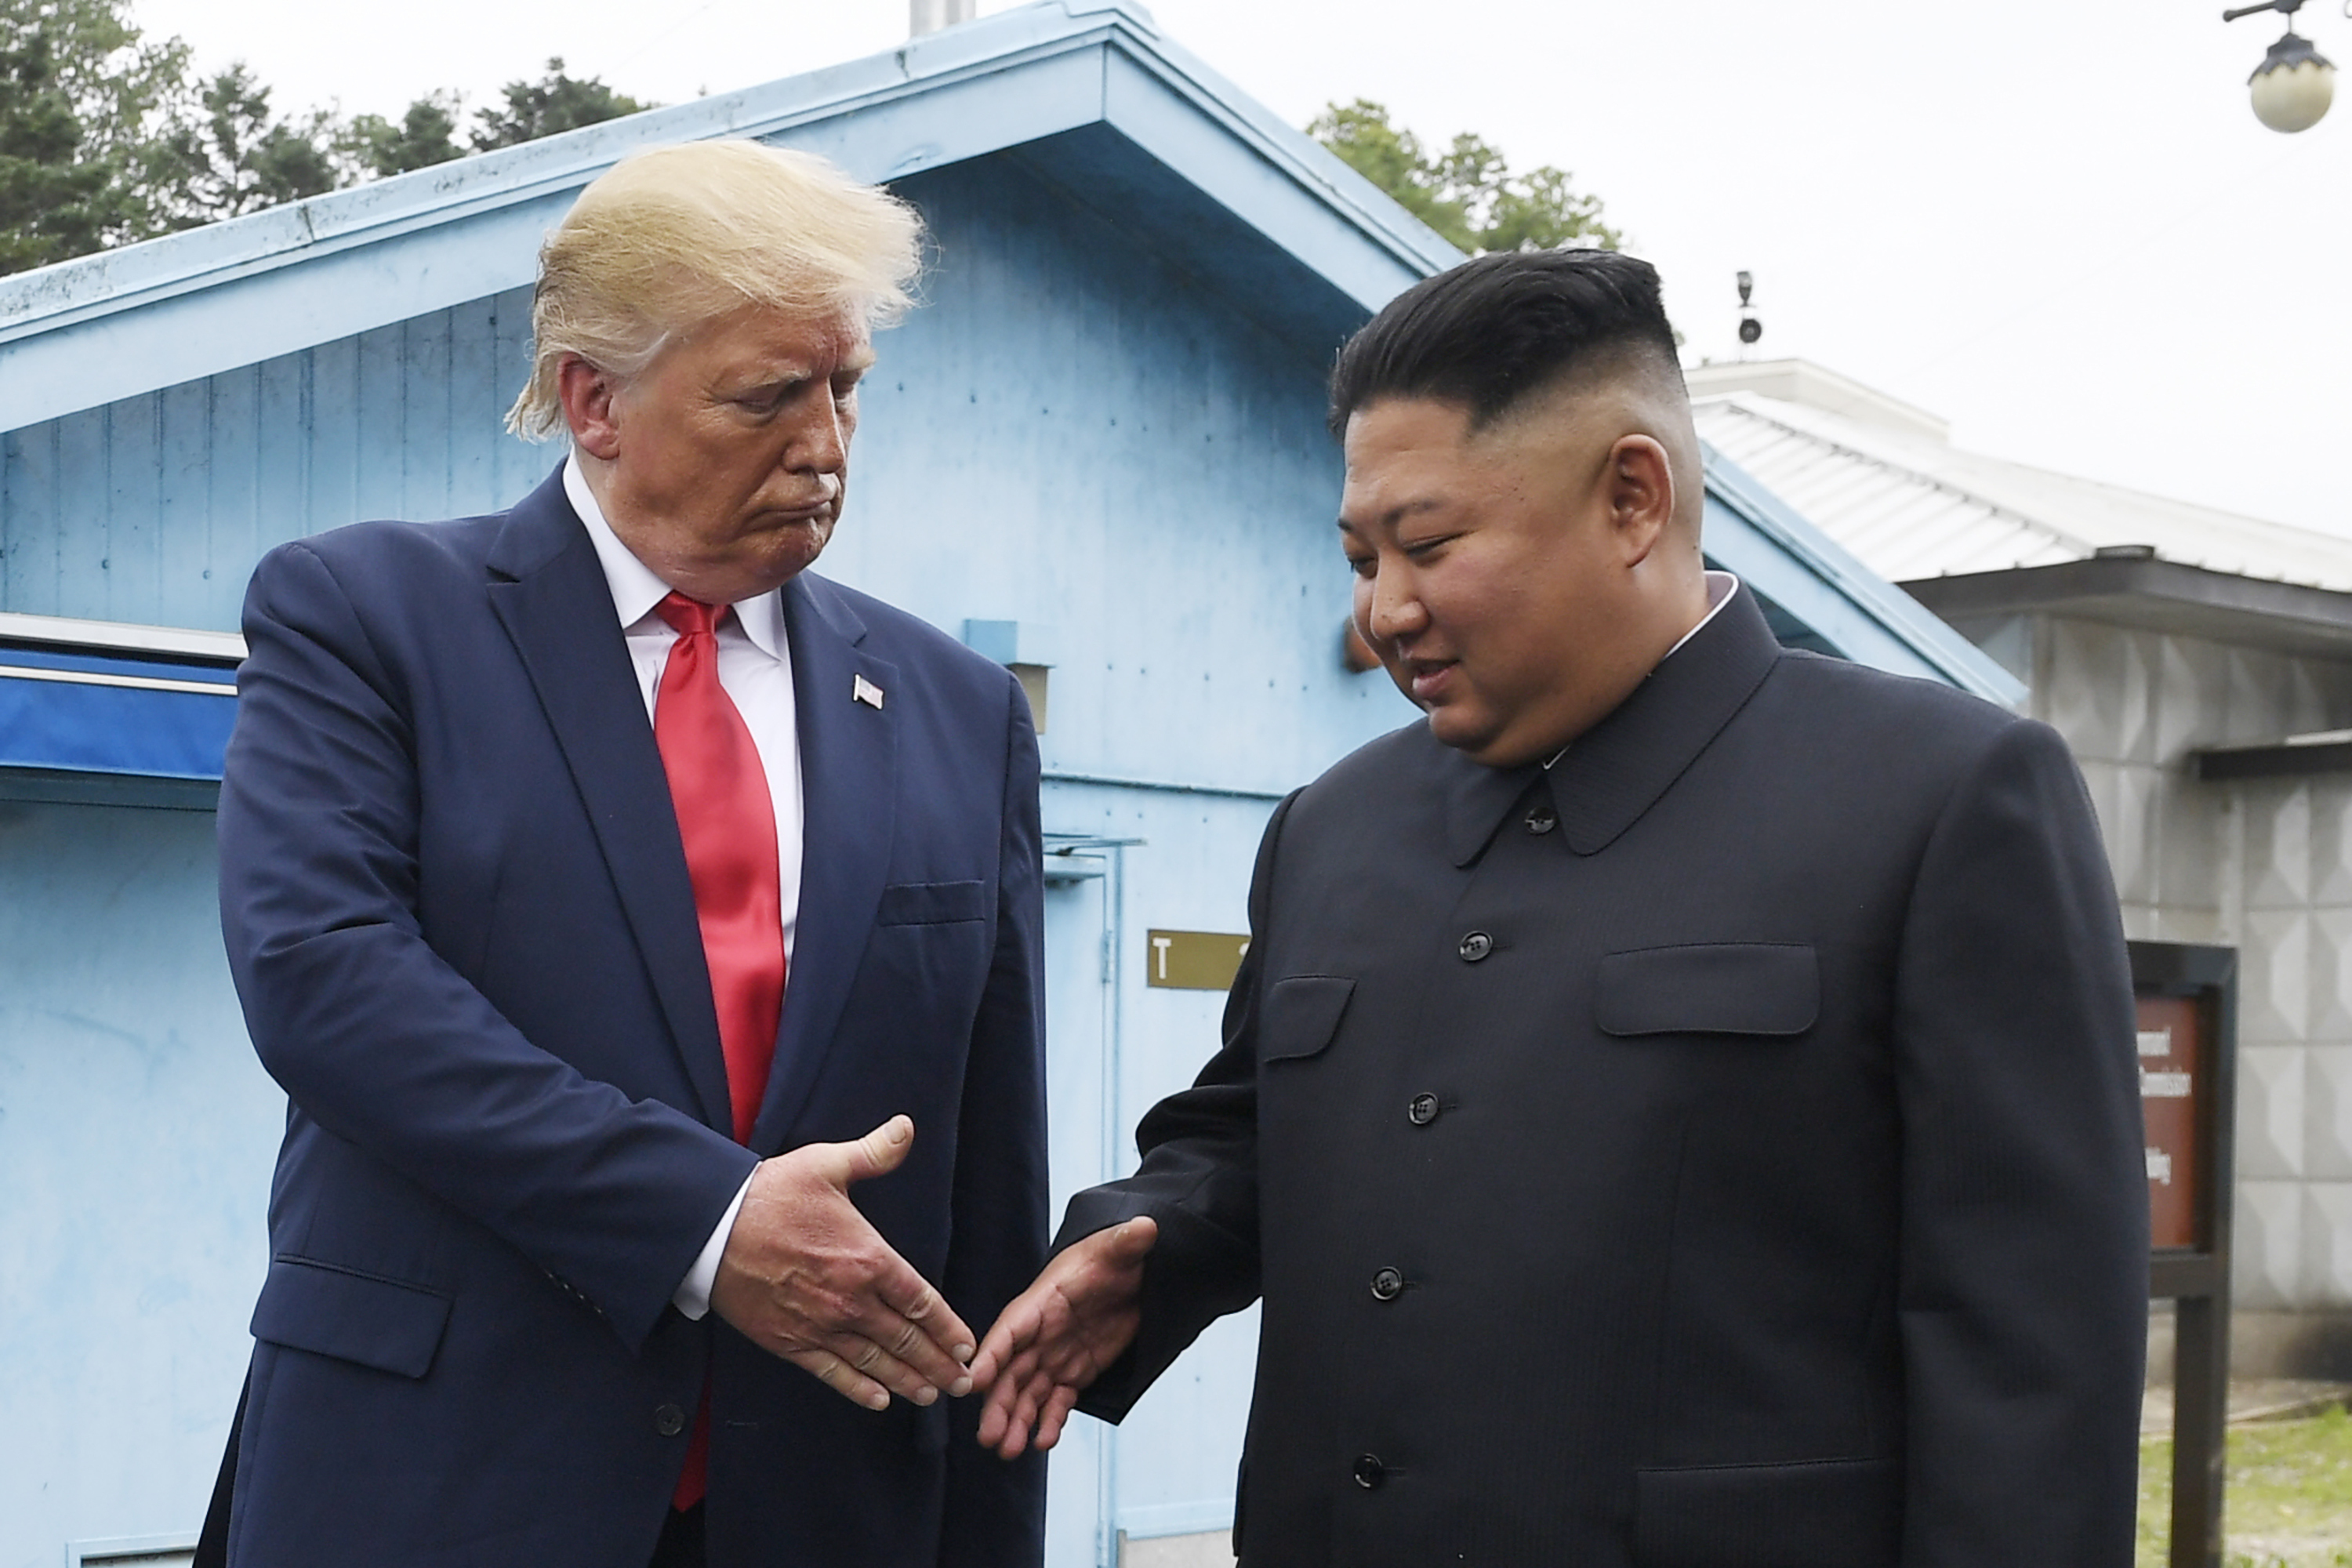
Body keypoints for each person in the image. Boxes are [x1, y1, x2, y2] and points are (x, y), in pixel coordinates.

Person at [971, 249, 2148, 1566]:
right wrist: (1150, 1242)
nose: (1384, 611)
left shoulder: (1939, 799)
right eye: (1362, 556)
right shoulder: (1332, 827)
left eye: (1428, 545)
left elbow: (2034, 1350)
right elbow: (1245, 1132)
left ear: (1632, 497)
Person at [203, 140, 1047, 1568]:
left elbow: (985, 1172)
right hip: (438, 1486)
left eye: (846, 391)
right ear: (595, 400)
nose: (826, 445)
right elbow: (327, 984)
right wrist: (708, 1221)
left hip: (826, 1507)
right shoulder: (367, 616)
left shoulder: (957, 709)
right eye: (767, 398)